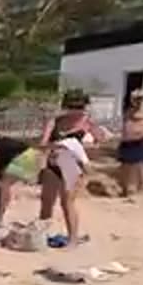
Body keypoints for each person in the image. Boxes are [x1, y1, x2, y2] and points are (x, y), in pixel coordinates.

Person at [38, 91, 109, 247]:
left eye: (79, 107)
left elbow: (101, 144)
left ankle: (73, 239)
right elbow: (42, 144)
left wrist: (83, 148)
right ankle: (41, 236)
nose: (76, 111)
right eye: (72, 107)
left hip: (73, 167)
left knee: (67, 202)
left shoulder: (87, 123)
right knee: (47, 202)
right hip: (54, 164)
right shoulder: (55, 122)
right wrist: (59, 145)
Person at [118, 89, 143, 197]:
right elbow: (125, 125)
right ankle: (127, 188)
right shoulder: (128, 112)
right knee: (127, 165)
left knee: (140, 164)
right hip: (128, 141)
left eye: (140, 99)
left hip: (141, 141)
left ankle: (139, 187)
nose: (138, 101)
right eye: (136, 99)